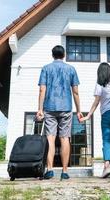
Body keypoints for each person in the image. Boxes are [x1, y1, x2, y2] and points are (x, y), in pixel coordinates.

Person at [36, 45, 83, 180]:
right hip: (66, 107)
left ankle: (50, 169)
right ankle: (64, 171)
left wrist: (40, 109)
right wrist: (79, 110)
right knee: (64, 138)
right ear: (64, 55)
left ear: (52, 55)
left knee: (50, 138)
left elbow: (42, 90)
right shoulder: (71, 69)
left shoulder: (46, 69)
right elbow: (75, 92)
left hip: (49, 108)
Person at [80, 62, 110, 178]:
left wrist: (88, 115)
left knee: (106, 141)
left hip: (107, 116)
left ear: (99, 73)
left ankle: (107, 166)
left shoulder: (99, 85)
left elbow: (96, 102)